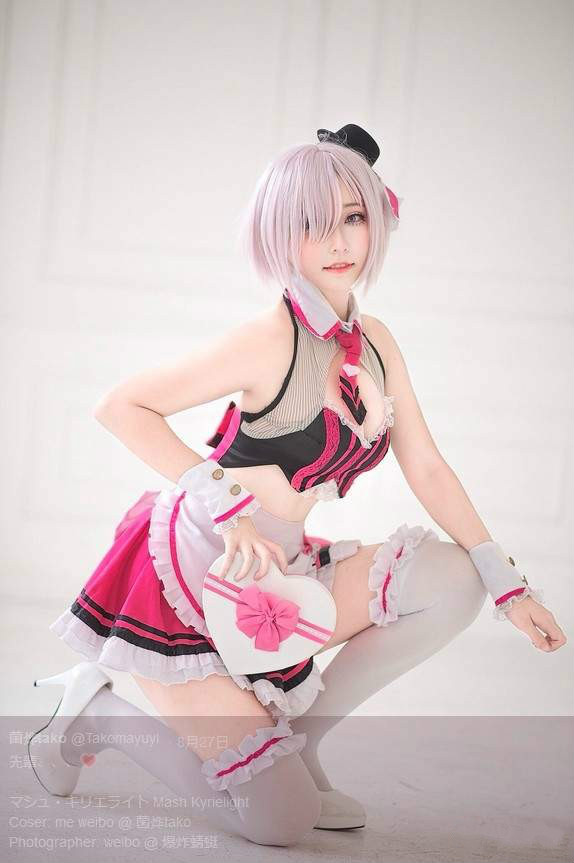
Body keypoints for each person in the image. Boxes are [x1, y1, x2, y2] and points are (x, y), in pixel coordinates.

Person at [29, 124, 566, 847]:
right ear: (282, 235)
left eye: (354, 217)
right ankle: (95, 714)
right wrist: (227, 505)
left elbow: (428, 467)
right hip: (191, 582)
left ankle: (299, 746)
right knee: (281, 821)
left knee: (456, 578)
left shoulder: (374, 341)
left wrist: (509, 586)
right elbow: (121, 405)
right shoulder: (269, 337)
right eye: (314, 224)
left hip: (278, 576)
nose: (340, 242)